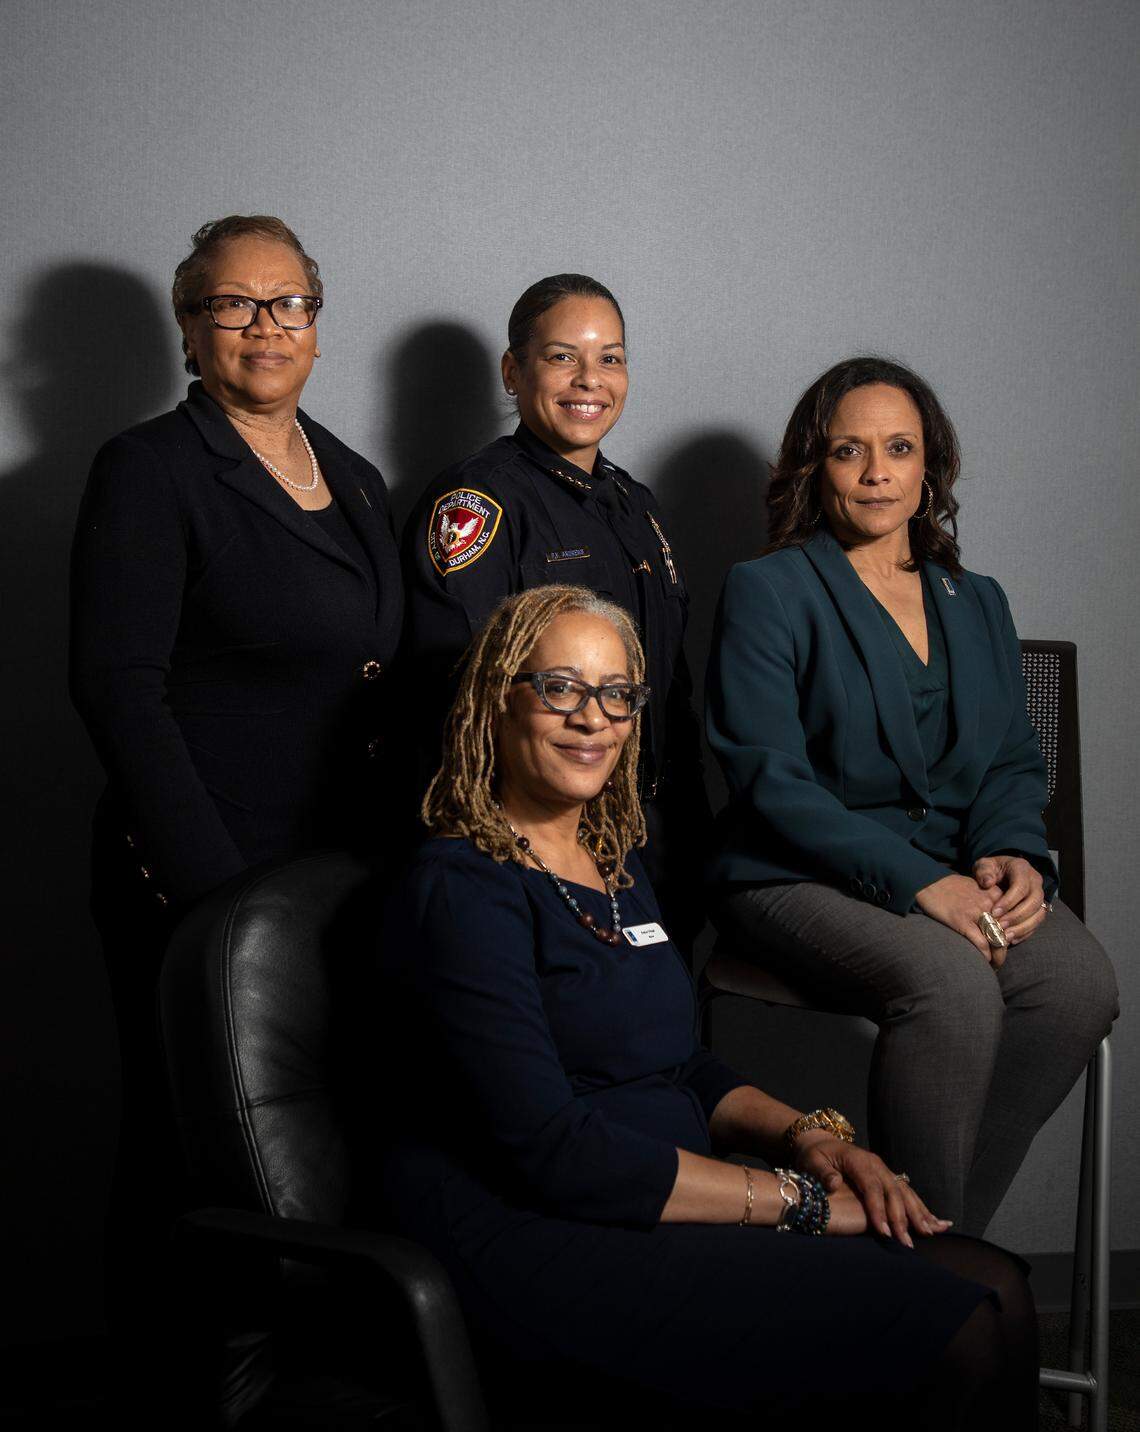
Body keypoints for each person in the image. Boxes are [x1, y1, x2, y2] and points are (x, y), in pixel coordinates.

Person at [379, 584, 1037, 1429]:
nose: (594, 719)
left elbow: (681, 1062)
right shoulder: (462, 887)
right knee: (963, 1329)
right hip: (541, 1237)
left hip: (668, 1201)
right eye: (561, 688)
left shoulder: (612, 865)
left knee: (1001, 1286)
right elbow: (556, 1154)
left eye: (617, 693)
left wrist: (814, 1139)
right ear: (497, 701)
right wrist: (796, 1201)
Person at [69, 214, 402, 1394]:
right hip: (202, 879)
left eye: (288, 304)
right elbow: (119, 687)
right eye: (234, 304)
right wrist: (216, 896)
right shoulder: (152, 468)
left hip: (336, 880)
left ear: (317, 323)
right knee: (189, 1151)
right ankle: (172, 1391)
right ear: (190, 323)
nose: (265, 327)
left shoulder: (357, 480)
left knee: (316, 1154)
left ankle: (299, 1390)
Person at [706, 356, 1118, 1235]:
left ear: (931, 466)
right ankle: (929, 1282)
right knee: (954, 982)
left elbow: (1011, 761)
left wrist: (1013, 853)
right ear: (816, 465)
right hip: (792, 877)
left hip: (953, 877)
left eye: (900, 448)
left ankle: (935, 1240)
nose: (877, 471)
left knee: (1079, 982)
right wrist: (923, 883)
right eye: (850, 450)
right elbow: (766, 777)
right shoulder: (770, 590)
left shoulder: (980, 602)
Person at [398, 273, 708, 948]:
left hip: (656, 836)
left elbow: (670, 690)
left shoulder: (639, 508)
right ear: (513, 371)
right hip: (546, 840)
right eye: (563, 356)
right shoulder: (480, 503)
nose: (589, 379)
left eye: (610, 358)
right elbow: (463, 698)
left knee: (663, 1039)